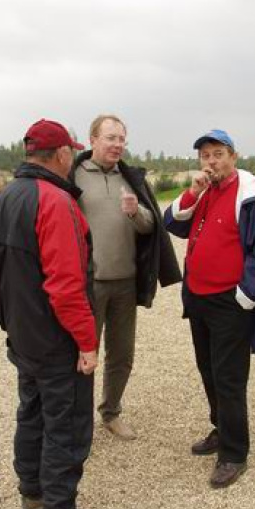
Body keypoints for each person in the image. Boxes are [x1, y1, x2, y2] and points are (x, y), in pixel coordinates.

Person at [0, 119, 114, 509]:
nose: (71, 158)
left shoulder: (4, 197)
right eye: (70, 152)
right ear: (61, 154)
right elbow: (66, 284)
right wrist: (86, 342)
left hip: (23, 330)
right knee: (67, 425)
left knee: (32, 411)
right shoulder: (55, 201)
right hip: (55, 337)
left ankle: (33, 493)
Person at [164, 129, 255, 488]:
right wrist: (193, 192)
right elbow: (171, 222)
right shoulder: (206, 190)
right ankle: (222, 429)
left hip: (229, 303)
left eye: (218, 154)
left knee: (229, 378)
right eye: (205, 155)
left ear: (233, 156)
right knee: (208, 369)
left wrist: (246, 297)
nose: (211, 161)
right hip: (199, 299)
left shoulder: (252, 196)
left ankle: (234, 453)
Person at [73, 114, 181, 440]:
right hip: (88, 285)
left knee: (122, 355)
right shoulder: (73, 175)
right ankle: (77, 422)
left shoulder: (131, 178)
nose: (117, 144)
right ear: (93, 140)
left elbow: (151, 227)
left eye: (122, 139)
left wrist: (136, 212)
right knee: (83, 356)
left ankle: (111, 412)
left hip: (125, 283)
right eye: (111, 138)